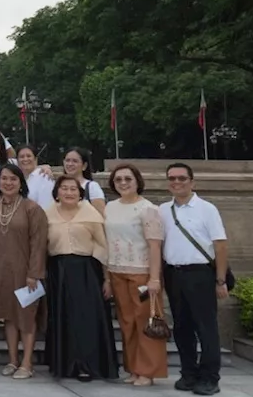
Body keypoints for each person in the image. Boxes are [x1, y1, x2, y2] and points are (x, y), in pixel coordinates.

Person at [160, 162, 230, 396]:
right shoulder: (162, 210)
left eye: (182, 178)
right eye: (172, 178)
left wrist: (220, 281)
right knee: (182, 327)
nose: (177, 182)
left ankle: (210, 377)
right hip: (174, 273)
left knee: (206, 327)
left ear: (192, 182)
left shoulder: (206, 209)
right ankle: (189, 372)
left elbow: (220, 245)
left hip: (200, 274)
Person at [45, 175, 118, 382]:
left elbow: (103, 247)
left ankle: (88, 365)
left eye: (73, 189)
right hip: (58, 271)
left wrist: (107, 279)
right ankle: (64, 365)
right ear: (57, 192)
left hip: (87, 272)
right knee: (63, 319)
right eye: (64, 188)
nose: (68, 192)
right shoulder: (47, 214)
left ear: (80, 193)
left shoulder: (91, 214)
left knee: (87, 320)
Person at [0, 163, 48, 380]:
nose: (8, 183)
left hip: (25, 271)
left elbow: (39, 243)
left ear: (21, 183)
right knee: (8, 316)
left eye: (13, 179)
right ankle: (12, 360)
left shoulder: (32, 208)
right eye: (4, 179)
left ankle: (27, 363)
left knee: (26, 317)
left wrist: (34, 273)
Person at [105, 164, 168, 387]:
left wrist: (154, 278)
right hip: (117, 271)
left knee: (146, 322)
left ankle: (147, 371)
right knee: (127, 323)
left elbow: (154, 246)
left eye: (127, 179)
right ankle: (133, 368)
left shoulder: (148, 209)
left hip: (142, 274)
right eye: (118, 179)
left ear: (137, 181)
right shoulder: (109, 207)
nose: (123, 183)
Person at [62, 147, 106, 215]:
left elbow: (101, 215)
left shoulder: (92, 187)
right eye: (67, 160)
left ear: (84, 166)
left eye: (75, 161)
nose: (70, 164)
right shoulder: (58, 186)